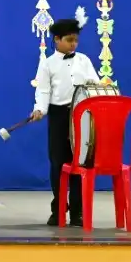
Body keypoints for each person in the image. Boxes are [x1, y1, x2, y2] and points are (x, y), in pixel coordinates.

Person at [26, 13, 96, 226]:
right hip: (58, 116)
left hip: (82, 116)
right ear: (56, 40)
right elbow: (44, 91)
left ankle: (77, 211)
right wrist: (39, 109)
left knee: (79, 163)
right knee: (58, 163)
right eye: (69, 40)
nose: (73, 44)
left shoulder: (84, 60)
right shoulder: (47, 64)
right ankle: (58, 210)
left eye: (75, 40)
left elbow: (93, 83)